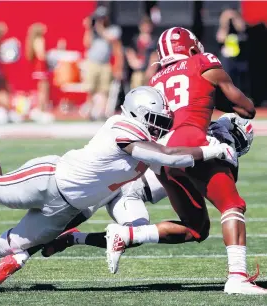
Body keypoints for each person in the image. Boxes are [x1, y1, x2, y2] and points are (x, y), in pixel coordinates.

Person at [0, 86, 236, 290]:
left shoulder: (145, 136)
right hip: (49, 179)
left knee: (17, 243)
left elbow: (171, 155)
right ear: (136, 114)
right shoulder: (123, 127)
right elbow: (166, 155)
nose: (159, 127)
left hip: (68, 206)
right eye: (155, 121)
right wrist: (213, 151)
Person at [107, 27, 265, 295]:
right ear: (192, 48)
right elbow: (246, 109)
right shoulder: (203, 62)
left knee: (196, 228)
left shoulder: (155, 78)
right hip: (192, 140)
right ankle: (237, 277)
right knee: (232, 205)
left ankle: (128, 234)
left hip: (162, 154)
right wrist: (214, 97)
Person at [80, 6, 123, 120]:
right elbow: (86, 43)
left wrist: (99, 28)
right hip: (92, 63)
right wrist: (89, 28)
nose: (100, 20)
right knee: (90, 89)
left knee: (104, 89)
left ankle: (100, 112)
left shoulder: (113, 29)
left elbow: (111, 39)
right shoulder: (93, 31)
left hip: (105, 64)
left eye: (102, 18)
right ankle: (89, 113)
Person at [216, 9, 250, 96]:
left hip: (240, 58)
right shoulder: (223, 29)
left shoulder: (241, 29)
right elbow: (220, 38)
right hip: (227, 59)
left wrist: (236, 19)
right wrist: (225, 21)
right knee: (227, 81)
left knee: (242, 80)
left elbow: (243, 32)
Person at [25, 23, 54, 123]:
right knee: (44, 90)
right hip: (41, 68)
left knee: (41, 90)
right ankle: (41, 110)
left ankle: (40, 110)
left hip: (38, 68)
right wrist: (50, 57)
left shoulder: (33, 40)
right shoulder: (40, 40)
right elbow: (42, 55)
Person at [126, 16, 157, 89]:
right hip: (138, 71)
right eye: (144, 25)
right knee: (137, 83)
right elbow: (130, 52)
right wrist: (134, 63)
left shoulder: (154, 40)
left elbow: (155, 57)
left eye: (148, 25)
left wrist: (150, 70)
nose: (146, 27)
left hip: (150, 72)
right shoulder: (135, 39)